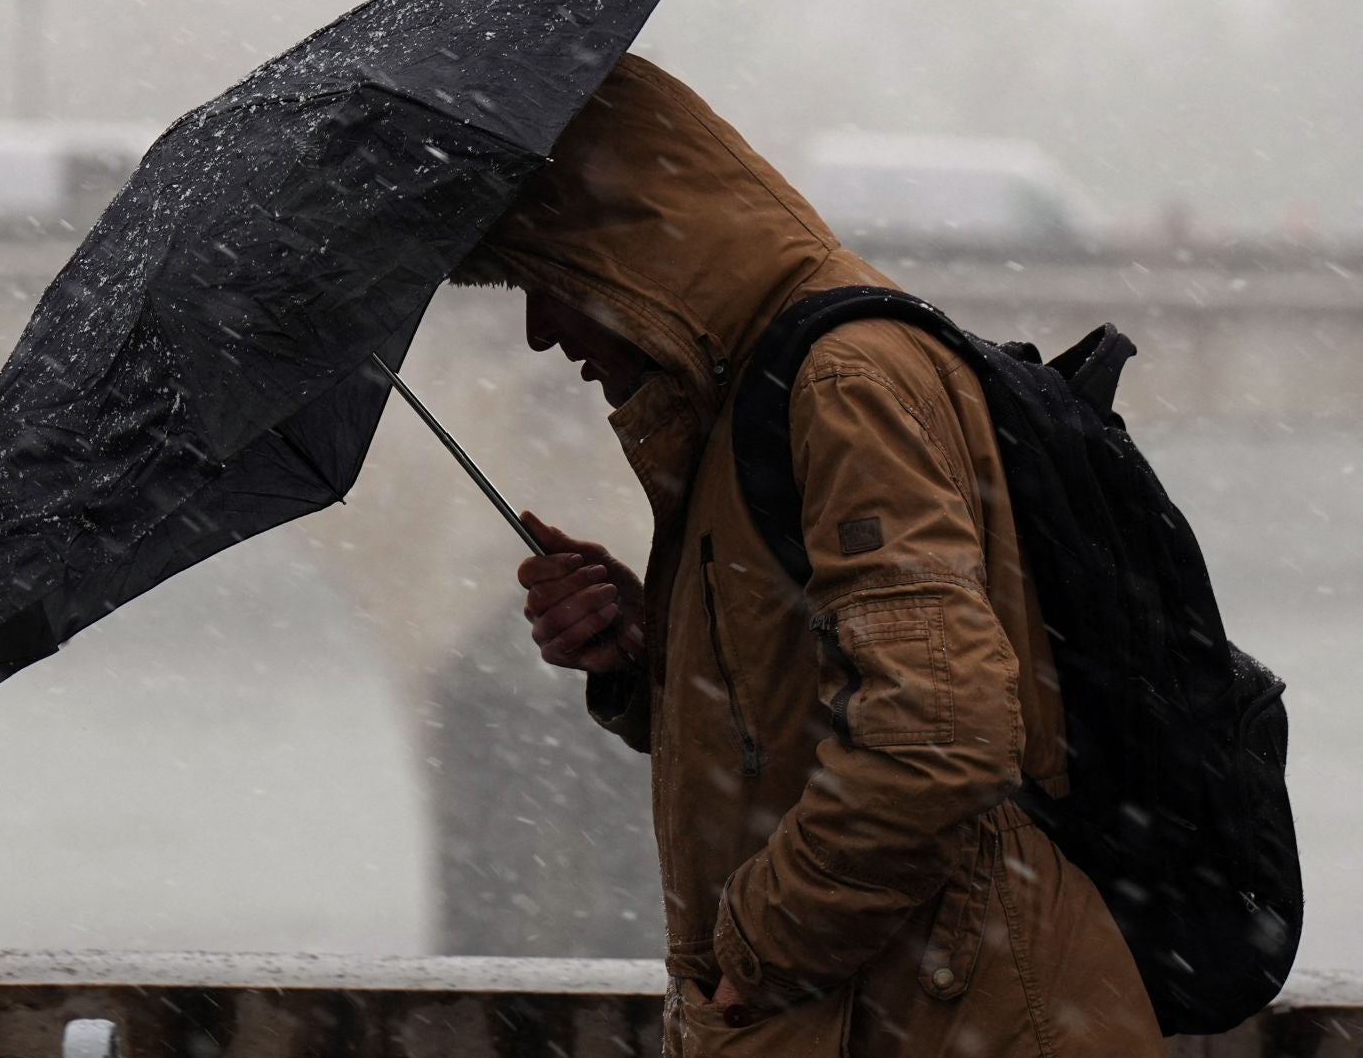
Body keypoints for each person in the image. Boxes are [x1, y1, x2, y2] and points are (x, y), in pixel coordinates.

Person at [450, 54, 1164, 1056]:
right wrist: (643, 654)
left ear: (622, 255)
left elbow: (942, 731)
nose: (535, 331)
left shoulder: (839, 380)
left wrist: (754, 947)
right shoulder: (753, 397)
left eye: (545, 280)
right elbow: (795, 725)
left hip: (944, 1013)